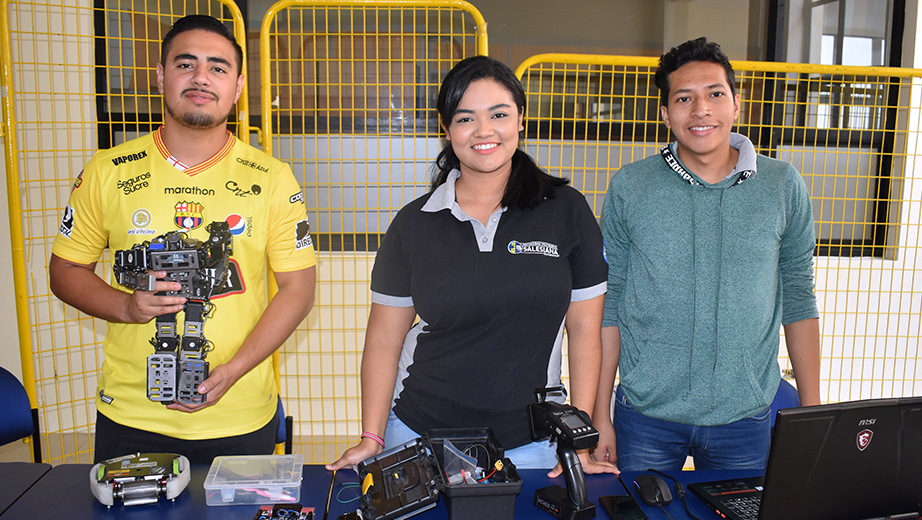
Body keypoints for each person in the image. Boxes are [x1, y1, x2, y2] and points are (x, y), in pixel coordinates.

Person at [327, 56, 617, 476]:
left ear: (520, 119)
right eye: (466, 118)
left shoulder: (567, 211)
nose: (484, 131)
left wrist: (578, 443)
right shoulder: (414, 222)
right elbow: (384, 340)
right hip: (416, 435)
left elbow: (586, 332)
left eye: (498, 114)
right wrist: (372, 437)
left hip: (532, 447)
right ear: (446, 129)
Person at [49, 15, 316, 464]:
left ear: (238, 85)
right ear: (160, 76)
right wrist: (127, 307)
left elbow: (298, 289)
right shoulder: (107, 171)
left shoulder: (272, 178)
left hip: (241, 415)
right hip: (133, 416)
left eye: (218, 67)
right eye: (185, 63)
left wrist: (231, 371)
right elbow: (65, 271)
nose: (201, 77)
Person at [593, 37, 821, 471]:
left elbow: (798, 297)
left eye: (715, 94)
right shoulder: (630, 186)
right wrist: (601, 413)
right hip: (645, 416)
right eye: (684, 98)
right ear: (665, 113)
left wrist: (809, 414)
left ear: (736, 104)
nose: (701, 110)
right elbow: (612, 304)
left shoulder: (782, 184)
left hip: (745, 416)